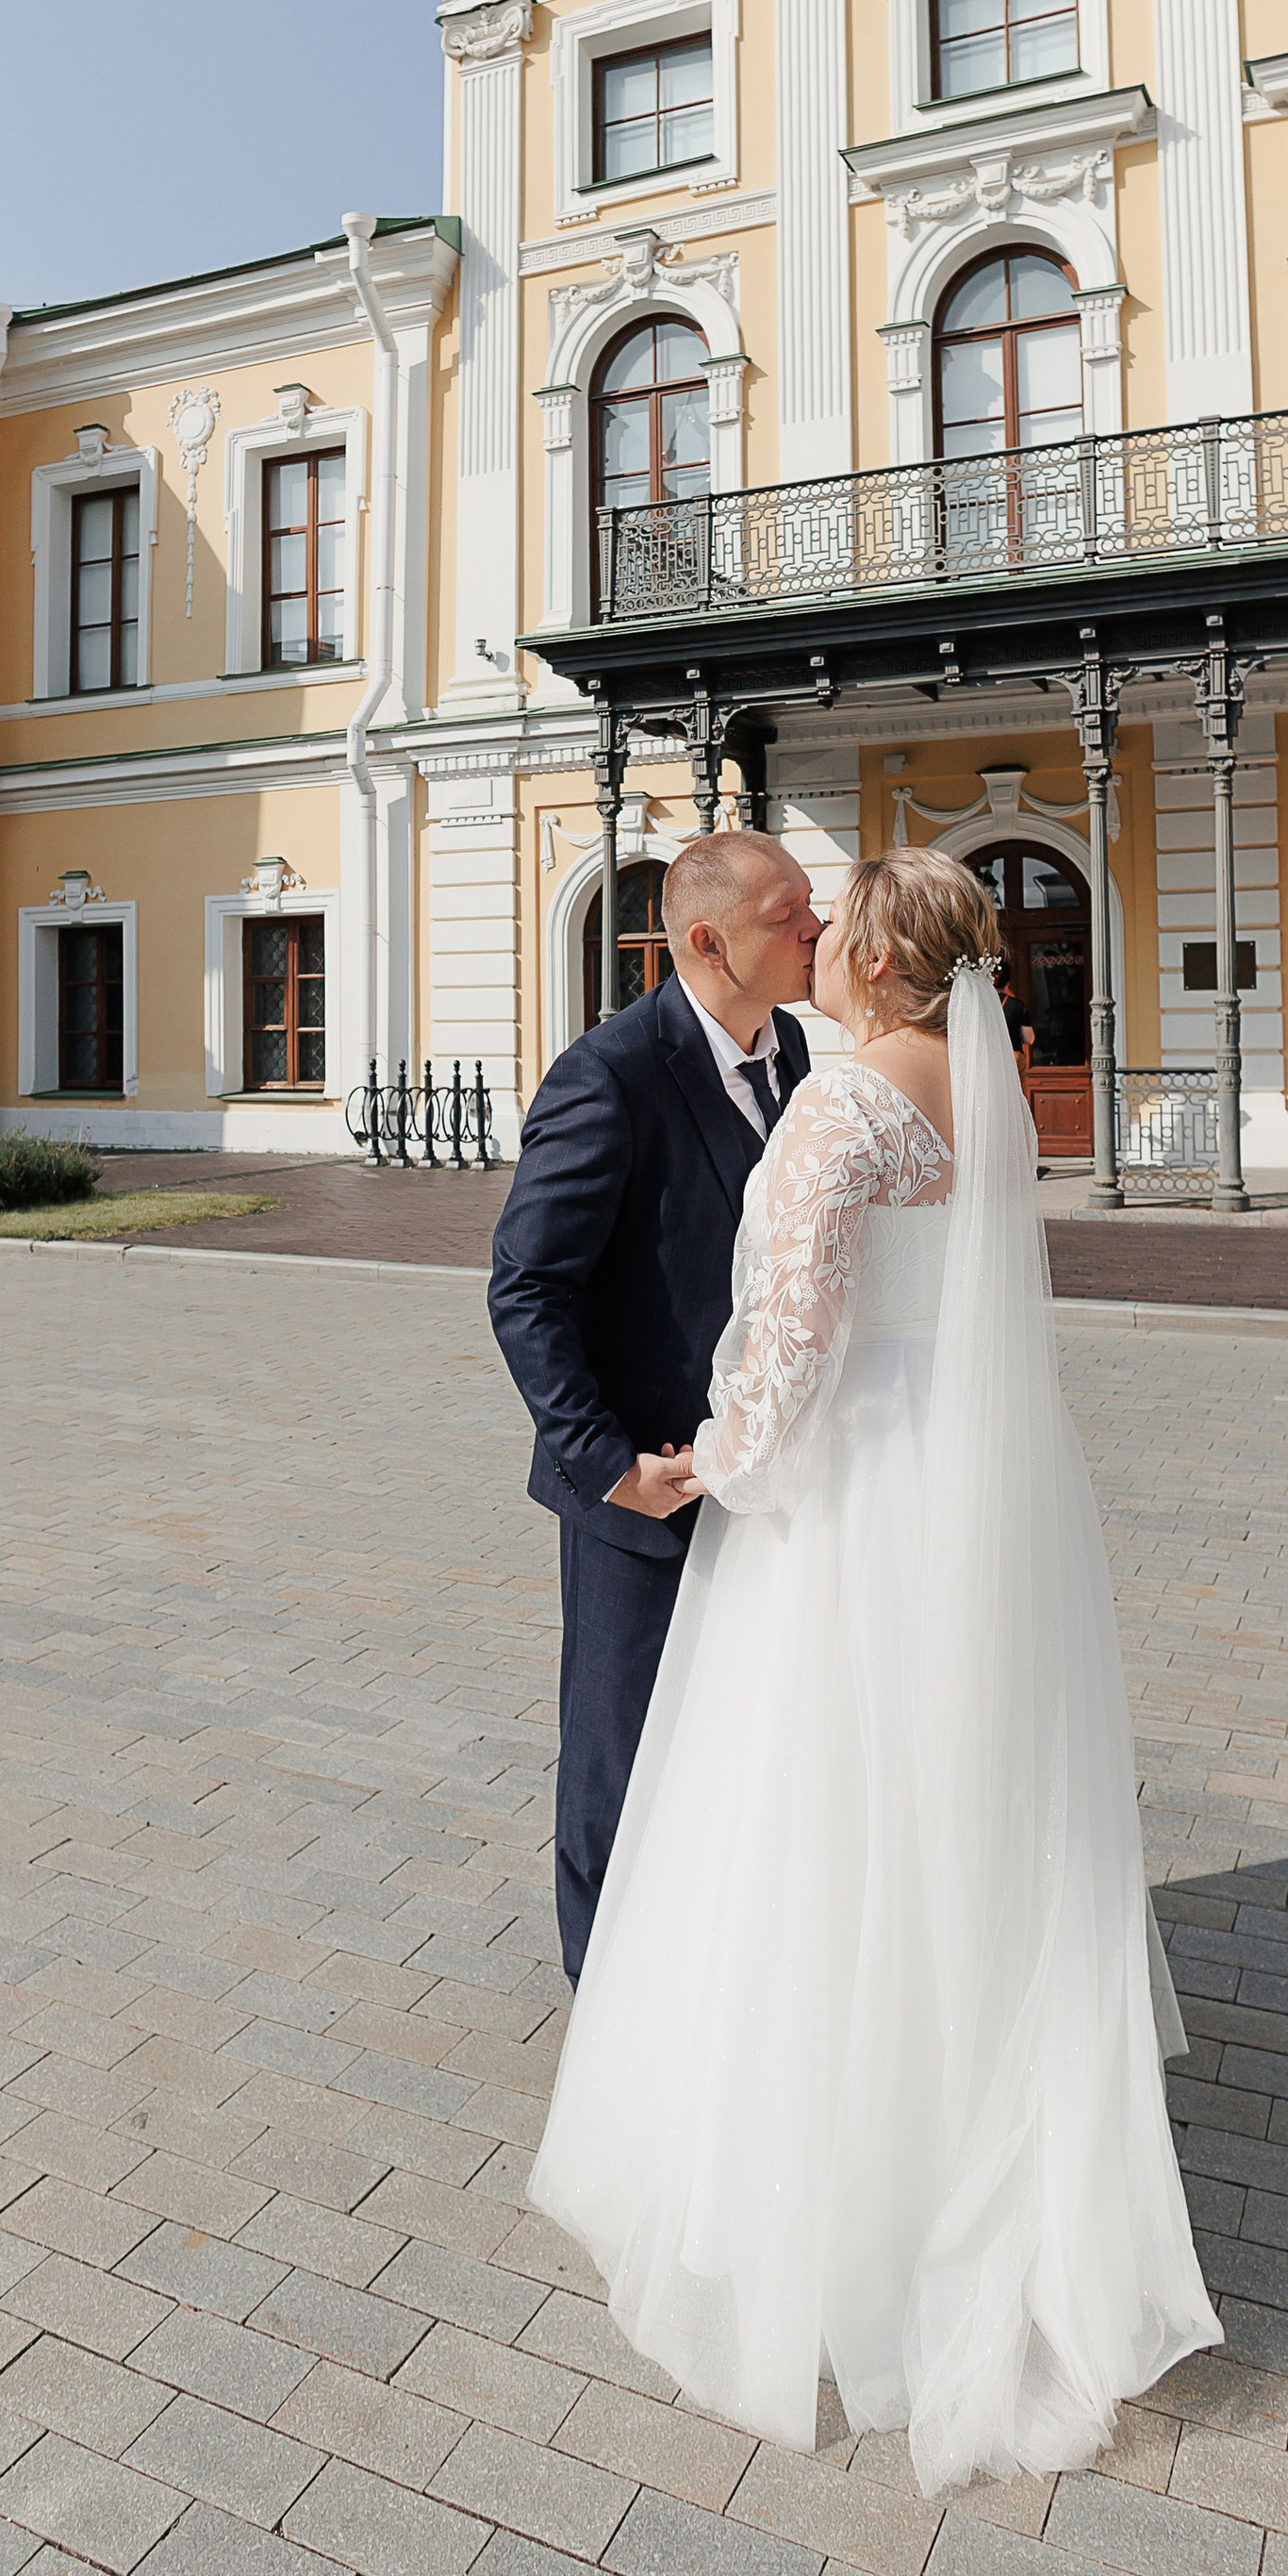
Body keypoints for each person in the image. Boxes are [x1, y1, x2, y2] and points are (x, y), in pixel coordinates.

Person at [530, 848, 1219, 2489]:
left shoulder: (842, 1111)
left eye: (832, 931)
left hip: (843, 1495)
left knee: (814, 1815)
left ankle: (829, 2189)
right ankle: (965, 2134)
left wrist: (722, 1467)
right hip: (963, 1488)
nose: (812, 943)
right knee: (954, 1804)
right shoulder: (987, 1100)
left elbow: (793, 1347)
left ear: (881, 970)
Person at [487, 828, 819, 1984]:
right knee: (619, 1759)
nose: (816, 931)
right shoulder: (610, 1073)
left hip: (765, 1483)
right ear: (707, 941)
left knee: (743, 1740)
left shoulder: (798, 1063)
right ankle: (610, 2006)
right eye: (790, 917)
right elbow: (528, 1288)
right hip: (646, 1489)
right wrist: (608, 1462)